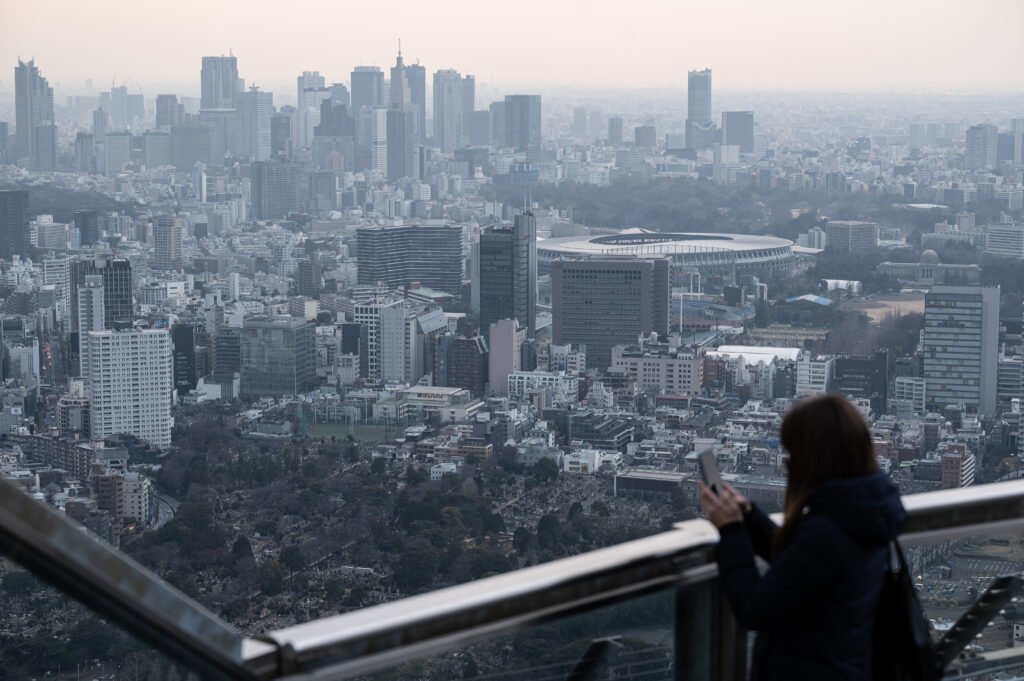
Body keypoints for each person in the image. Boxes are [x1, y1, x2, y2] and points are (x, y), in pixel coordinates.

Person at [700, 394, 907, 681]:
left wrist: (731, 532)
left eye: (792, 453)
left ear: (813, 458)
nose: (788, 463)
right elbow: (801, 573)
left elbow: (754, 610)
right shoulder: (865, 511)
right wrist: (749, 517)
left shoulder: (827, 530)